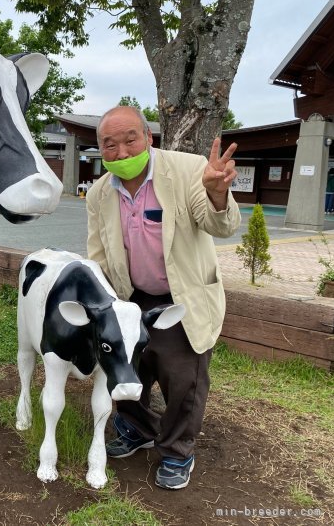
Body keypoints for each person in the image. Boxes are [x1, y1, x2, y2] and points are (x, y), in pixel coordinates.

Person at [86, 106, 241, 490]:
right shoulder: (100, 192)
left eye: (129, 140)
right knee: (125, 370)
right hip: (129, 298)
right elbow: (98, 253)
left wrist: (217, 193)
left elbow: (219, 224)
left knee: (182, 379)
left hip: (181, 295)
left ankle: (176, 451)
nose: (121, 152)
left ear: (148, 138)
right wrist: (100, 304)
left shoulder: (188, 170)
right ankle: (138, 429)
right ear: (100, 150)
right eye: (109, 145)